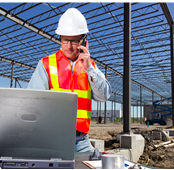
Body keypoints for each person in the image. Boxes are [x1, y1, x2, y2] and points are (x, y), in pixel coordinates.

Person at [28, 8, 111, 152]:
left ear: (83, 41)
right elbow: (33, 102)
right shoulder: (46, 63)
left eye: (74, 41)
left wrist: (89, 69)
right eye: (65, 40)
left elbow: (104, 96)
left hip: (81, 141)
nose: (69, 46)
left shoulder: (90, 67)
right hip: (52, 137)